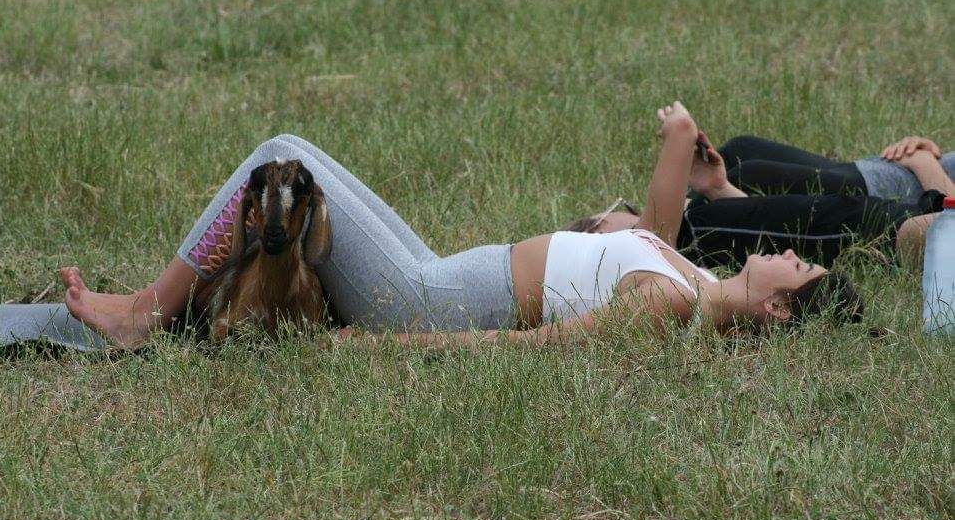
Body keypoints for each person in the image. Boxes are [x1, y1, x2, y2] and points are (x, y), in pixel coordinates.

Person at [60, 102, 862, 350]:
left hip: (423, 301)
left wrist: (383, 348)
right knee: (288, 163)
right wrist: (683, 140)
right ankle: (235, 289)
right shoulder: (686, 276)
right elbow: (657, 219)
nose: (788, 250)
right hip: (435, 270)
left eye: (797, 267)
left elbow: (528, 350)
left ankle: (146, 312)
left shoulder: (672, 307)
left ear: (779, 308)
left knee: (281, 158)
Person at [569, 135, 953, 268]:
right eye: (607, 216)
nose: (628, 211)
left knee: (741, 161)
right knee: (742, 169)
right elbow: (946, 219)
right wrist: (923, 165)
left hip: (909, 202)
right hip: (909, 201)